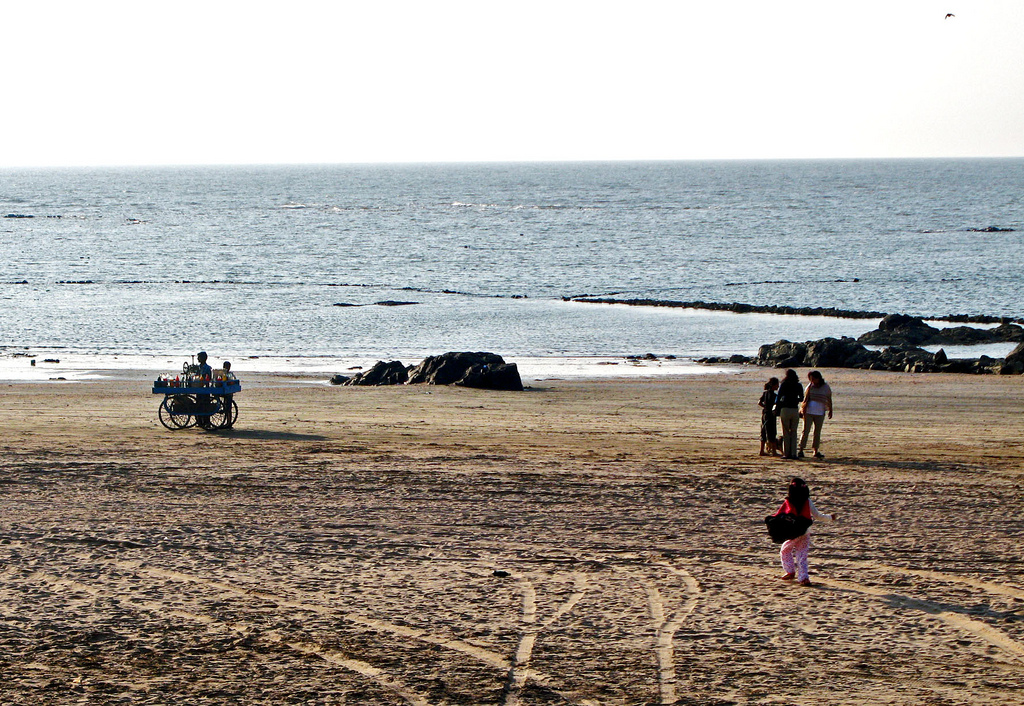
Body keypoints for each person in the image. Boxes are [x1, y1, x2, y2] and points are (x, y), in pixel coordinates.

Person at [773, 477, 835, 586]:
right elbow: (817, 515)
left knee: (785, 550)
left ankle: (790, 571)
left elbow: (780, 515)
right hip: (805, 532)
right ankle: (803, 578)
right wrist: (830, 517)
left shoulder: (788, 501)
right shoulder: (807, 501)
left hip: (792, 533)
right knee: (802, 555)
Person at [799, 370, 833, 459]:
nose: (812, 380)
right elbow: (805, 399)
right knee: (805, 431)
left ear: (818, 378)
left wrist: (830, 409)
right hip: (808, 412)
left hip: (820, 412)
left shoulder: (825, 387)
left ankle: (815, 450)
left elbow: (829, 398)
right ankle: (801, 449)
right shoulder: (810, 386)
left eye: (813, 378)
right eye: (811, 379)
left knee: (817, 432)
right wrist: (802, 410)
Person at [774, 369, 804, 459]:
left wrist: (776, 407)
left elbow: (778, 397)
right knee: (794, 432)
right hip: (794, 409)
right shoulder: (798, 385)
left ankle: (786, 453)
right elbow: (801, 398)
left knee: (786, 431)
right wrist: (795, 400)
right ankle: (794, 453)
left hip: (785, 409)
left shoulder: (784, 384)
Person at [758, 377, 780, 456]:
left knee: (763, 432)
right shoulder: (774, 395)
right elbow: (776, 405)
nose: (778, 386)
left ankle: (761, 450)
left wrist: (765, 407)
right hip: (771, 415)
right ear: (773, 385)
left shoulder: (765, 393)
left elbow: (759, 402)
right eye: (777, 385)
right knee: (772, 432)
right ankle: (774, 451)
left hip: (764, 414)